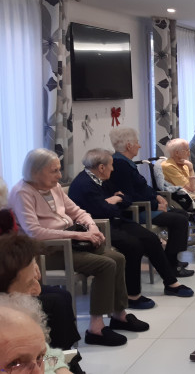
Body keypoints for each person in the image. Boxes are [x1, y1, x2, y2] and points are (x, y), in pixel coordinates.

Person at [9, 148, 148, 347]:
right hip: (47, 250)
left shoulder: (54, 187)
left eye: (59, 170)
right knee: (106, 264)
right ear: (36, 171)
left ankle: (119, 314)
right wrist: (78, 234)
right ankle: (96, 328)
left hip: (70, 242)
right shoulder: (22, 192)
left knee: (118, 258)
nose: (59, 176)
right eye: (54, 171)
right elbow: (34, 232)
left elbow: (77, 211)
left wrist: (91, 227)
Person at [69, 149, 194, 307]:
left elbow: (125, 199)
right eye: (111, 166)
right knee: (134, 246)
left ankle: (171, 283)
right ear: (101, 167)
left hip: (115, 220)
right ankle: (133, 295)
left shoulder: (103, 179)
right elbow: (103, 210)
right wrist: (116, 200)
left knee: (151, 238)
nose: (113, 169)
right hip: (99, 226)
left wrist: (115, 200)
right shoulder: (84, 184)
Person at [108, 127, 193, 276]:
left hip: (146, 205)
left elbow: (143, 187)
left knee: (182, 214)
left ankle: (169, 259)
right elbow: (129, 195)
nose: (139, 146)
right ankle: (171, 265)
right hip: (136, 210)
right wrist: (155, 204)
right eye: (137, 142)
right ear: (129, 146)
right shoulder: (120, 164)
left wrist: (157, 196)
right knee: (179, 220)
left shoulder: (126, 162)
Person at [0, 234, 83, 373]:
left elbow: (46, 351)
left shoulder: (22, 324)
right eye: (29, 283)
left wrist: (61, 368)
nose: (38, 290)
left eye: (36, 278)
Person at [0, 293, 70, 374]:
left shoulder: (34, 346)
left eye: (39, 357)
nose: (39, 372)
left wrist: (61, 368)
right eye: (14, 363)